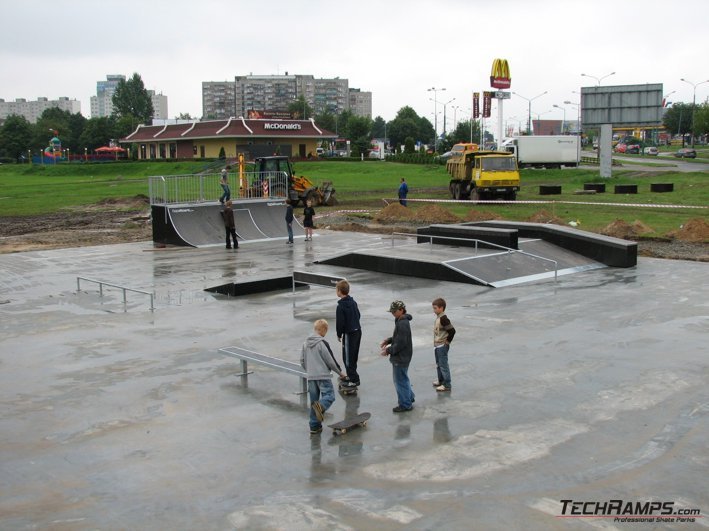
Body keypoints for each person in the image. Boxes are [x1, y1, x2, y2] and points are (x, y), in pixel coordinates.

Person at [301, 319, 347, 435]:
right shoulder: (322, 343)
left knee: (314, 401)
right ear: (323, 329)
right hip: (322, 375)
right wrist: (340, 373)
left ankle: (314, 427)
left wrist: (310, 370)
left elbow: (302, 360)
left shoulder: (305, 343)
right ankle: (321, 406)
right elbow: (329, 360)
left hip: (311, 376)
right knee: (329, 396)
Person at [380, 300, 415, 412]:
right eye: (392, 312)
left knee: (399, 380)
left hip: (401, 357)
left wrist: (389, 350)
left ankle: (405, 404)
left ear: (401, 310)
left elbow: (401, 343)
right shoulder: (401, 321)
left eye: (394, 311)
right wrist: (389, 340)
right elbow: (399, 337)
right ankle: (409, 397)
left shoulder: (402, 323)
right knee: (403, 378)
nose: (393, 314)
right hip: (404, 356)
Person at [335, 279, 362, 389]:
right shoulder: (353, 302)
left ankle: (354, 379)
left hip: (349, 334)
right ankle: (352, 375)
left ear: (339, 291)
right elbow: (358, 315)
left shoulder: (340, 307)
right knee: (353, 355)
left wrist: (339, 334)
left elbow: (340, 323)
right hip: (358, 331)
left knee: (347, 357)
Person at [431, 297, 456, 392]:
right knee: (438, 364)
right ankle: (441, 380)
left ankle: (447, 384)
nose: (434, 310)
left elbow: (452, 331)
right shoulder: (438, 318)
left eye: (435, 308)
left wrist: (447, 342)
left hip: (442, 346)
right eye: (433, 308)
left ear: (441, 308)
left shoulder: (444, 319)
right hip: (437, 345)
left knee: (443, 365)